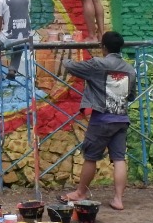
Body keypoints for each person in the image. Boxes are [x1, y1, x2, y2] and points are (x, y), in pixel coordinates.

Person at [58, 31, 136, 210]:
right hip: (121, 119)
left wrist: (65, 51)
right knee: (119, 158)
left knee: (91, 157)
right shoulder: (129, 69)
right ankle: (118, 199)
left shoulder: (98, 64)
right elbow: (131, 96)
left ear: (104, 47)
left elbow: (72, 67)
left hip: (101, 119)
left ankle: (80, 192)